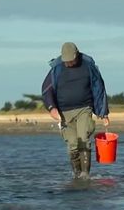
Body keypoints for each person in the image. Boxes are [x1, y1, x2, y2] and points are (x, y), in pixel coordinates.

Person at [41, 42, 110, 179]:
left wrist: (103, 113)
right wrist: (51, 108)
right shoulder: (56, 69)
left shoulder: (88, 66)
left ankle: (85, 175)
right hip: (64, 113)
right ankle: (77, 175)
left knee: (83, 139)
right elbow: (46, 90)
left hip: (84, 108)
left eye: (71, 61)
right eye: (66, 61)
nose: (68, 64)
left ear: (76, 55)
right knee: (72, 145)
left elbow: (99, 89)